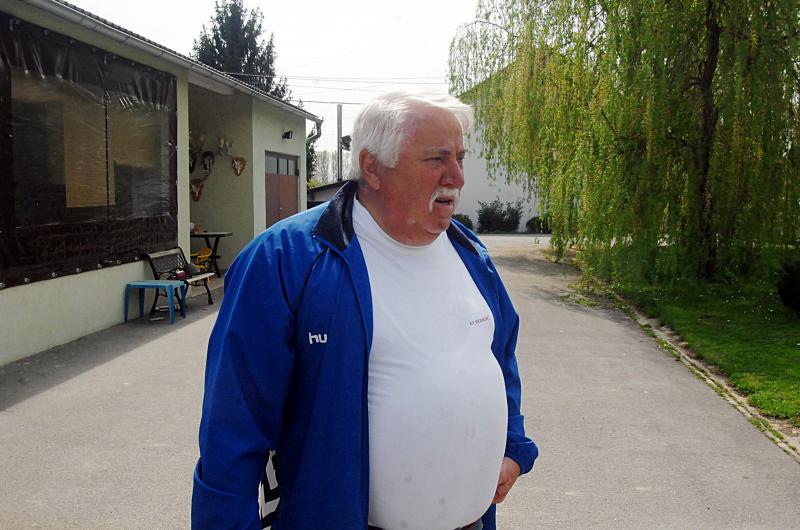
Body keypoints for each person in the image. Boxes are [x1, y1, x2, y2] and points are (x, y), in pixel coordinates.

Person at [192, 91, 538, 530]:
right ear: (373, 167)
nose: (457, 176)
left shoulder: (470, 253)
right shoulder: (285, 259)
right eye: (437, 159)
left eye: (460, 158)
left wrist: (513, 446)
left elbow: (500, 357)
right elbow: (234, 423)